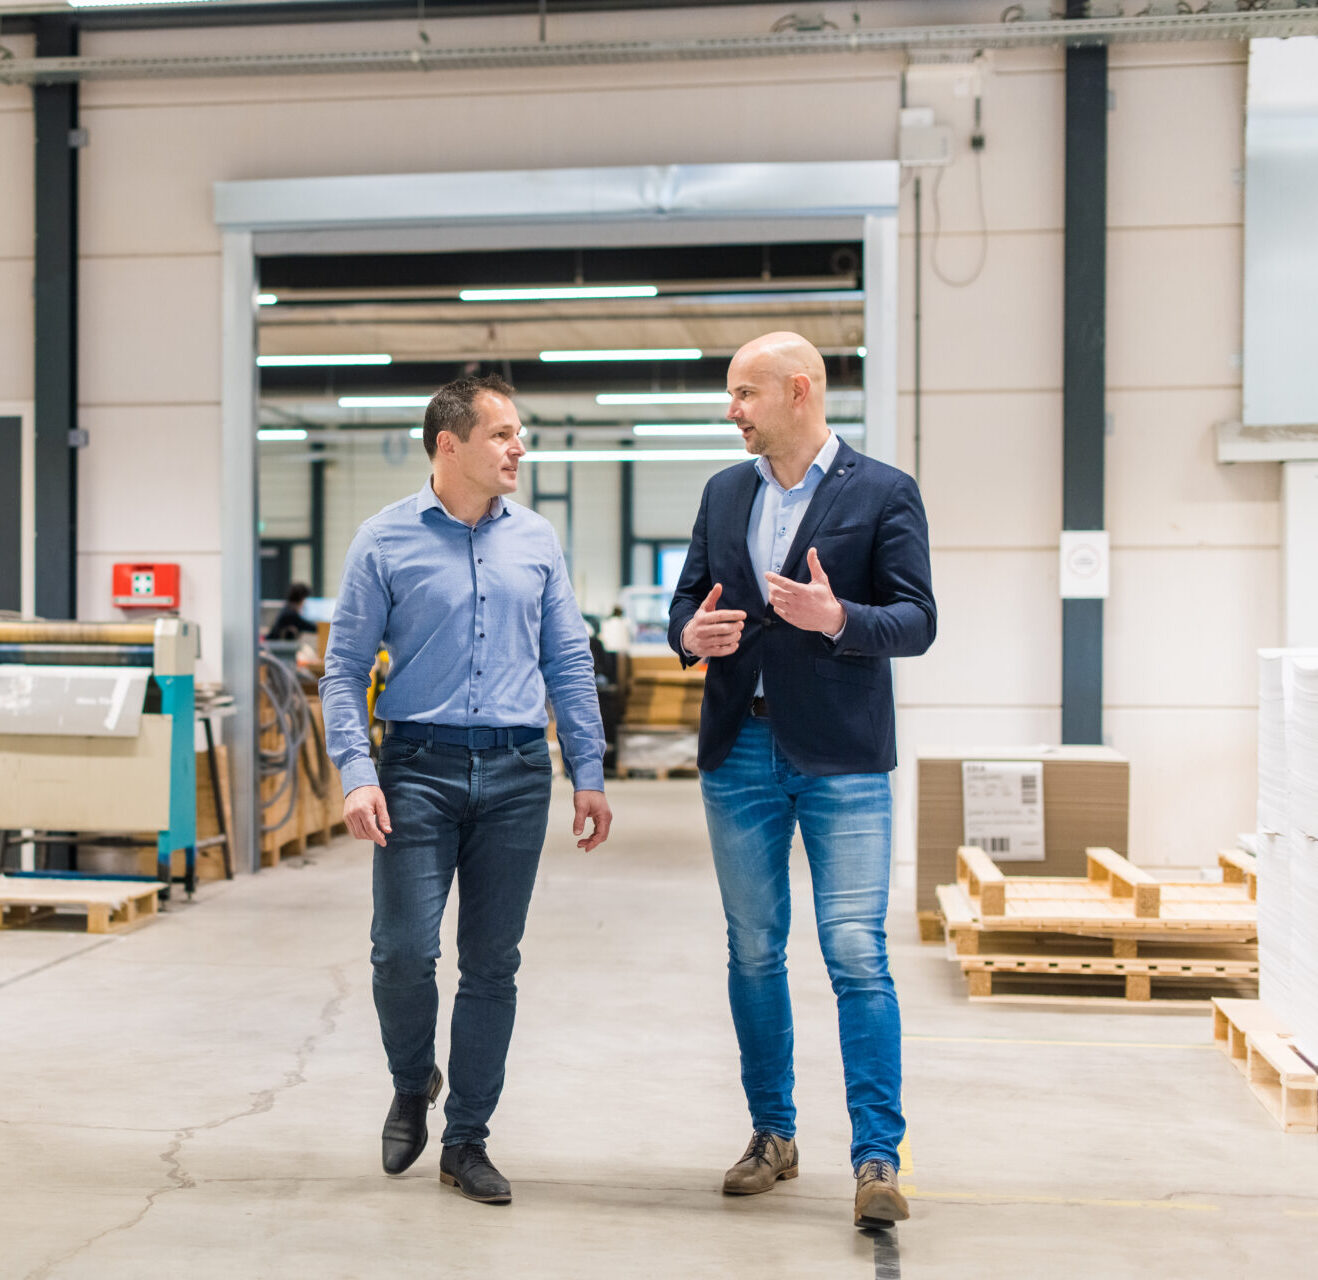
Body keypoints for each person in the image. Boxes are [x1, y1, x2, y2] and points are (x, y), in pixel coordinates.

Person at [321, 374, 611, 1206]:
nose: (519, 447)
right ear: (450, 445)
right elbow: (344, 670)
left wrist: (587, 772)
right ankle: (412, 1078)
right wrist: (356, 773)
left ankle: (466, 1141)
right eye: (503, 434)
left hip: (518, 772)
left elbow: (568, 660)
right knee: (402, 952)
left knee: (492, 964)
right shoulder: (384, 540)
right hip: (417, 769)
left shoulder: (538, 541)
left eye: (519, 434)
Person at [668, 332, 936, 1230]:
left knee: (856, 952)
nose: (731, 410)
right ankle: (772, 1135)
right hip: (739, 751)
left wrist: (839, 618)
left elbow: (917, 619)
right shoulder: (724, 492)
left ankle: (876, 1157)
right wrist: (687, 637)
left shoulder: (883, 491)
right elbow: (687, 600)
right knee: (753, 949)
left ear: (799, 389)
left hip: (843, 758)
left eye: (745, 393)